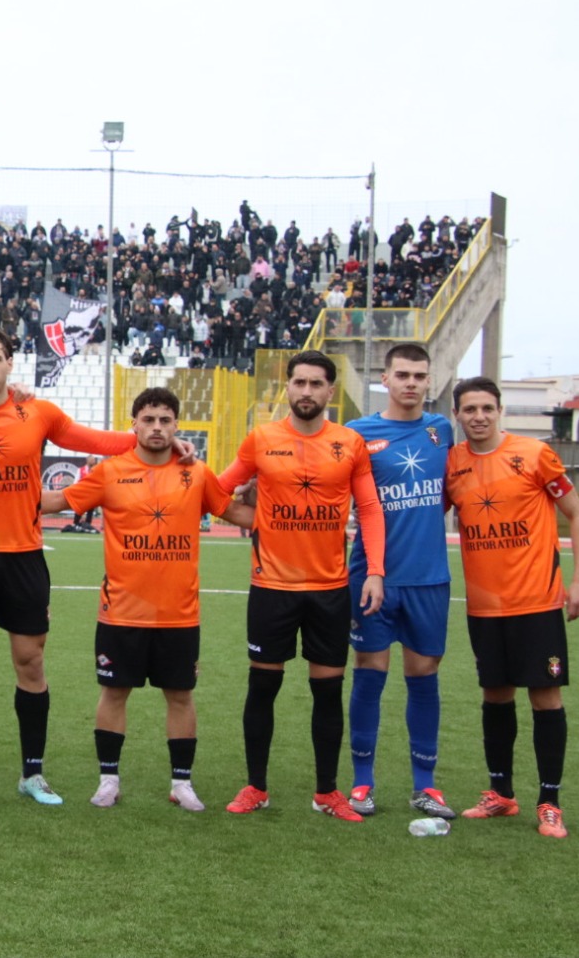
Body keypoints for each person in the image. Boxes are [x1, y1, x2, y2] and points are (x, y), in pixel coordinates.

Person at [0, 327, 157, 806]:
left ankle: (33, 773)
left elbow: (96, 439)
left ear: (10, 364)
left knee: (30, 662)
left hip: (24, 558)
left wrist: (156, 439)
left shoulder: (38, 412)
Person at [40, 387, 251, 811]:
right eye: (149, 420)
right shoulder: (111, 471)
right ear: (133, 424)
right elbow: (56, 502)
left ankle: (182, 783)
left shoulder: (198, 473)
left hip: (179, 614)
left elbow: (241, 515)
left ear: (177, 426)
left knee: (180, 696)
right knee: (114, 693)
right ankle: (108, 780)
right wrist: (5, 478)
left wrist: (278, 493)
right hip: (121, 612)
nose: (157, 427)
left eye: (165, 420)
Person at [219, 350, 385, 822]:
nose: (307, 391)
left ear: (330, 391)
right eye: (299, 383)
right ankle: (256, 787)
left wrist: (375, 571)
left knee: (327, 692)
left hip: (331, 589)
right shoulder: (262, 439)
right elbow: (219, 489)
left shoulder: (349, 443)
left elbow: (370, 510)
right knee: (262, 689)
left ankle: (327, 792)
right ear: (287, 388)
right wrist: (247, 515)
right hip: (272, 587)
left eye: (316, 384)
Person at [445, 377, 579, 839]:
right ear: (458, 415)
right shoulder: (453, 464)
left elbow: (577, 516)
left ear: (500, 410)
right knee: (495, 696)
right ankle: (501, 794)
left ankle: (549, 803)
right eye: (470, 409)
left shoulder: (533, 454)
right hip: (485, 608)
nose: (479, 416)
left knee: (545, 697)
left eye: (487, 407)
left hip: (538, 603)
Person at [343, 344, 457, 819]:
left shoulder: (442, 430)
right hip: (372, 578)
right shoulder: (356, 434)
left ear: (429, 382)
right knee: (370, 668)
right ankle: (362, 783)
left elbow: (448, 496)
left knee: (423, 675)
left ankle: (424, 786)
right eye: (403, 375)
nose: (411, 383)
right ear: (384, 380)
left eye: (420, 376)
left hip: (429, 577)